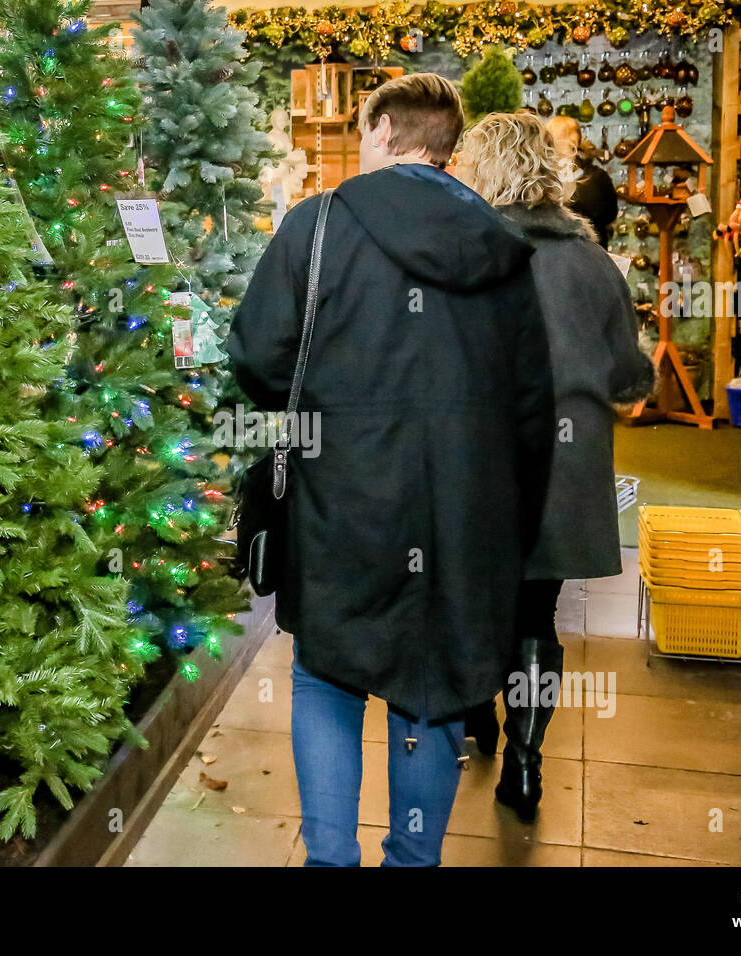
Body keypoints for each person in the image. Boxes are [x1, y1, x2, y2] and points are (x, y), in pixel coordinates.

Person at [228, 74, 555, 866]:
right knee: (434, 697)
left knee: (326, 679)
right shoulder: (505, 249)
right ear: (449, 146)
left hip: (339, 502)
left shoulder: (317, 226)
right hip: (464, 515)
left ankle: (330, 858)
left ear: (378, 130)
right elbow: (534, 409)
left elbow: (257, 359)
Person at [455, 112, 655, 821]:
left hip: (474, 465)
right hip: (565, 467)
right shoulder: (592, 262)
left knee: (476, 600)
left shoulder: (461, 256)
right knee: (538, 614)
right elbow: (630, 381)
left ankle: (476, 715)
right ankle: (527, 763)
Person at [546, 115, 618, 248]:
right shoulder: (598, 175)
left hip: (554, 252)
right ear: (578, 140)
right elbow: (610, 214)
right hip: (593, 250)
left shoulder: (542, 177)